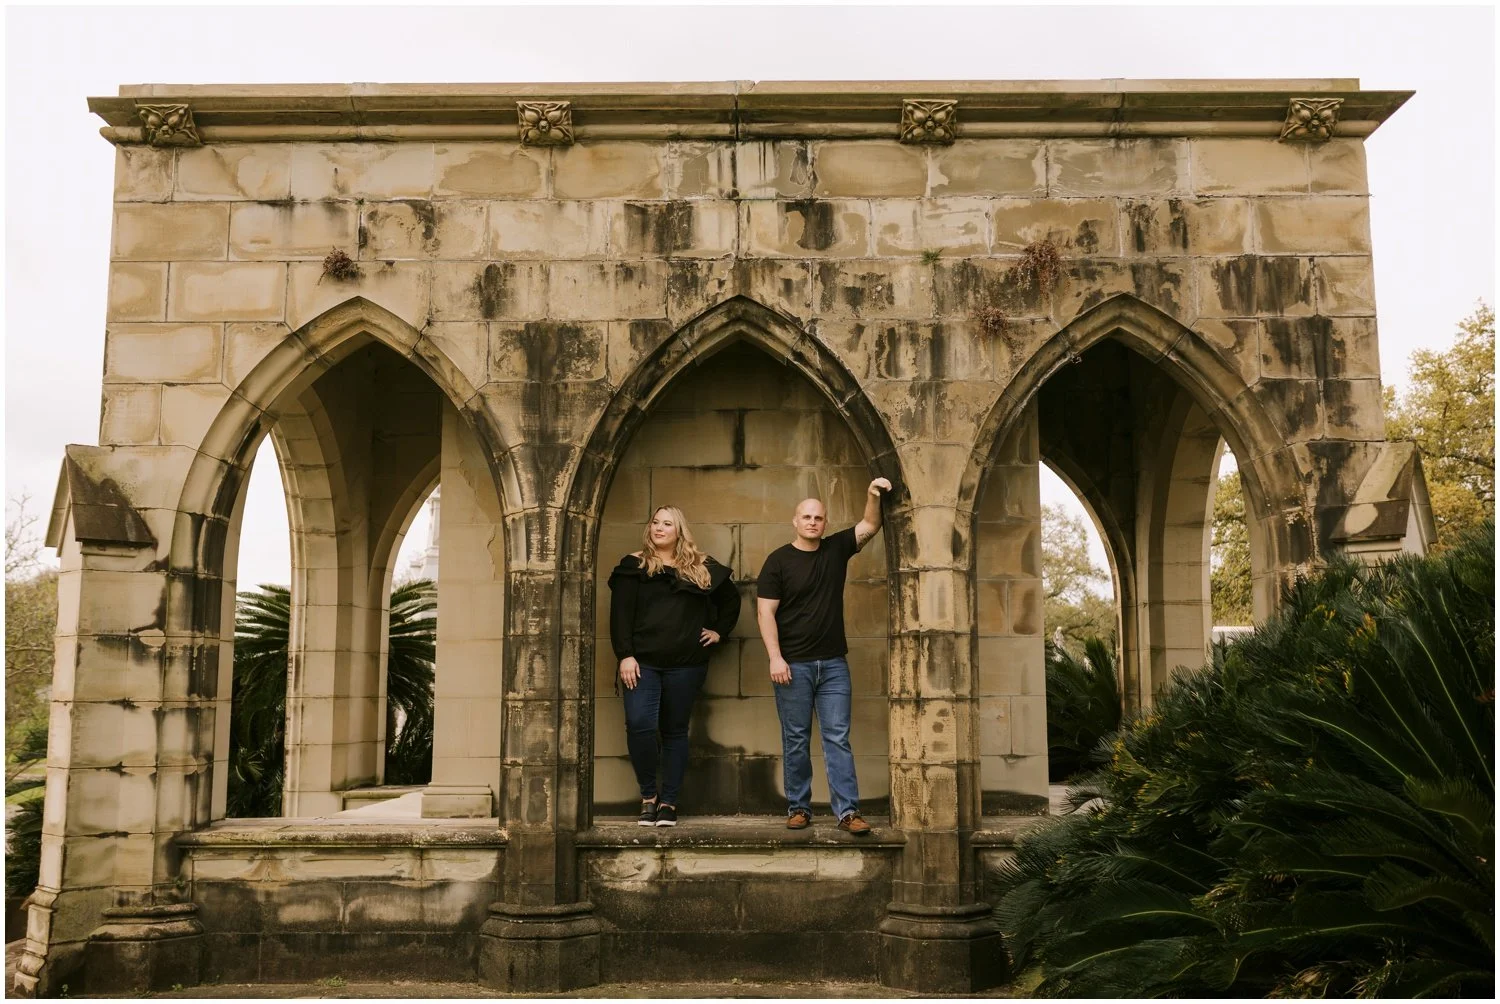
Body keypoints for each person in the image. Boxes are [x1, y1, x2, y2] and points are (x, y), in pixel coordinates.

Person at [756, 477, 892, 834]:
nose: (813, 522)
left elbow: (871, 525)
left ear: (824, 523)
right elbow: (765, 612)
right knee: (796, 738)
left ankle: (848, 813)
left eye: (818, 518)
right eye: (806, 517)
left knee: (837, 738)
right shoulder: (778, 562)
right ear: (795, 521)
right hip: (793, 665)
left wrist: (872, 493)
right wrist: (775, 657)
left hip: (833, 664)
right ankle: (799, 807)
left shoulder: (835, 549)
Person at [607, 505, 740, 827]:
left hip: (686, 665)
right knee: (639, 725)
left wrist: (720, 631)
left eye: (667, 524)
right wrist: (625, 655)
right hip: (642, 664)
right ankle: (648, 796)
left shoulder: (699, 566)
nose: (659, 528)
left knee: (675, 732)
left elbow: (731, 599)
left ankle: (669, 802)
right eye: (655, 522)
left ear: (679, 531)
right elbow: (620, 615)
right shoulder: (633, 565)